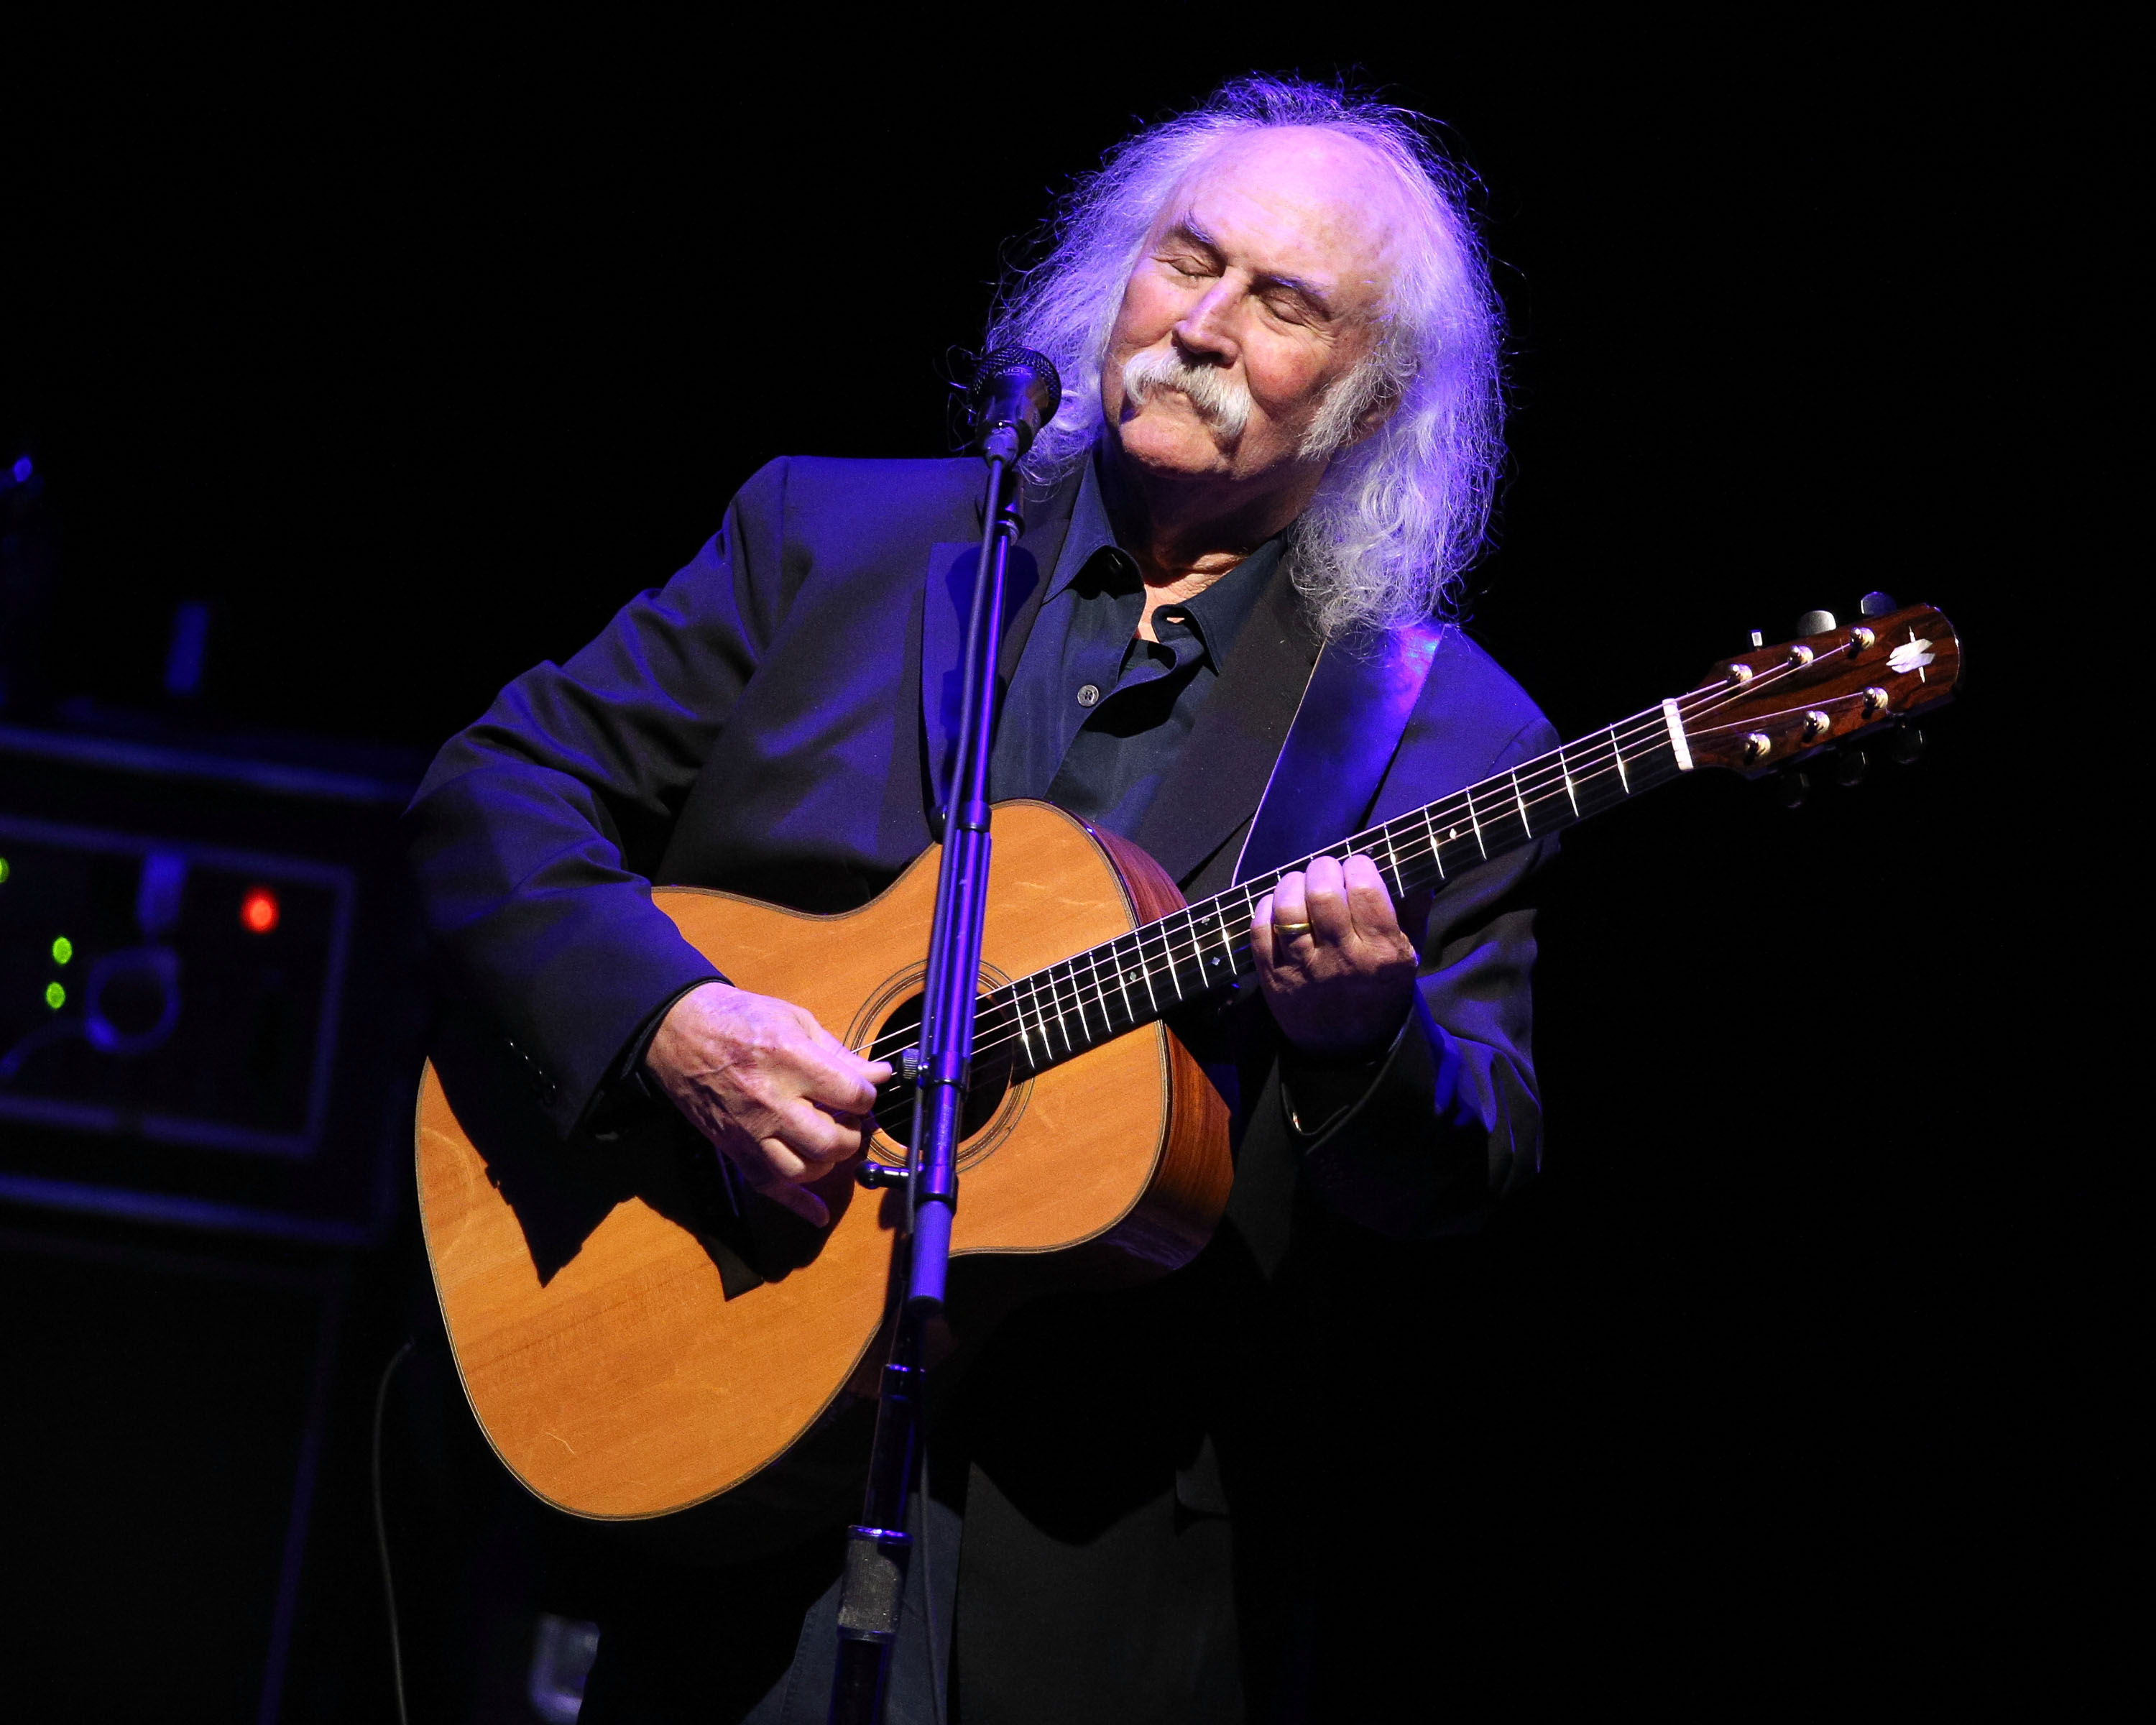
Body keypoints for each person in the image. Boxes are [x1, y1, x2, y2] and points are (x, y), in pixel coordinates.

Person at [407, 75, 1557, 1724]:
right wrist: (671, 1024)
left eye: (1283, 301)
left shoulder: (1443, 733)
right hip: (720, 1445)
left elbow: (1469, 1166)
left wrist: (1361, 1039)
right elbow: (487, 796)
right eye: (1188, 260)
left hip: (1095, 1574)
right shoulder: (838, 540)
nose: (1207, 323)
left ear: (1369, 405)